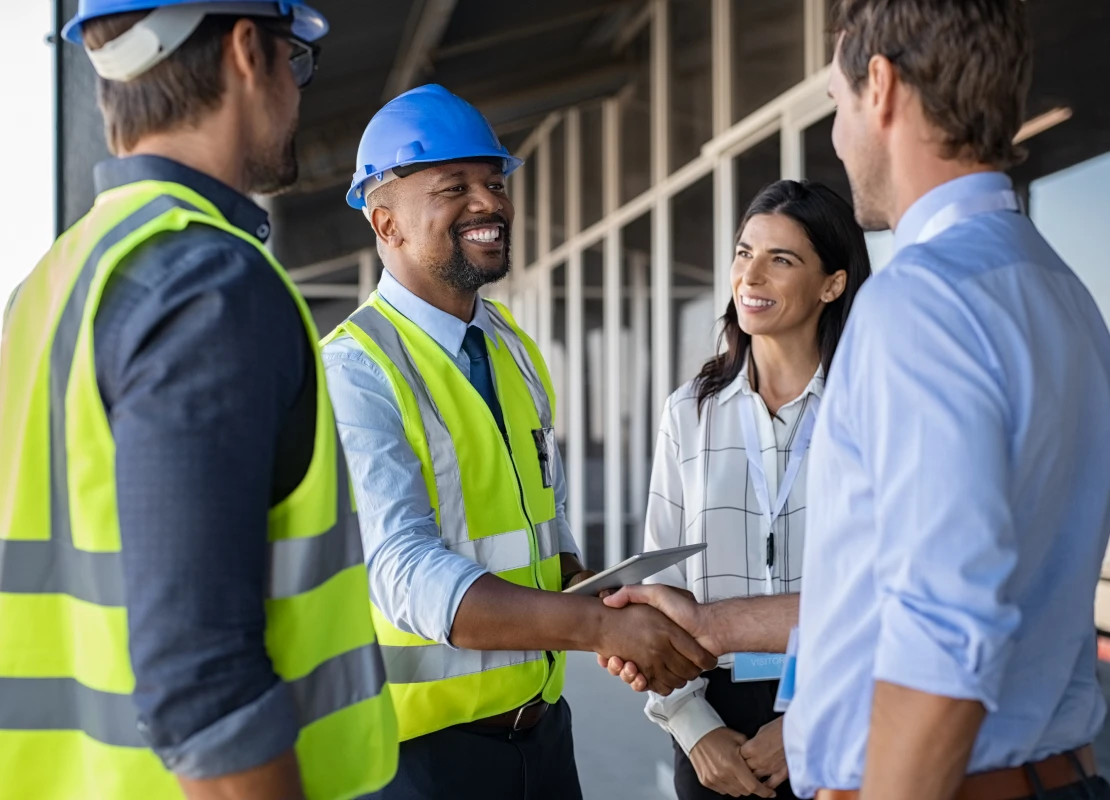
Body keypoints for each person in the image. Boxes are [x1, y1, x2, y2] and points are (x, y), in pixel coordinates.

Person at [606, 0, 1110, 798]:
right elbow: (888, 586)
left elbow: (942, 633)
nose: (839, 136)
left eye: (835, 104)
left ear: (879, 87)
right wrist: (716, 626)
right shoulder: (1062, 293)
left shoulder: (920, 303)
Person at [0, 2, 398, 798]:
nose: (297, 87)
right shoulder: (208, 285)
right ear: (249, 50)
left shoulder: (49, 284)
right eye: (297, 58)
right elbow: (204, 689)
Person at [321, 83, 716, 800]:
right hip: (419, 764)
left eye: (494, 182)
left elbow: (543, 525)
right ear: (386, 222)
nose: (490, 203)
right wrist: (595, 629)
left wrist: (601, 596)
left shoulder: (510, 347)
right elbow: (404, 573)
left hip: (542, 738)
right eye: (454, 187)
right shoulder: (355, 370)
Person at [637, 180, 870, 800]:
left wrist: (810, 723)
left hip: (841, 709)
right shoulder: (690, 411)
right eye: (744, 253)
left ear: (833, 284)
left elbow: (887, 587)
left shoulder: (869, 410)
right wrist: (693, 727)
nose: (751, 275)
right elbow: (663, 583)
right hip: (713, 715)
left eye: (780, 259)